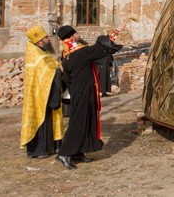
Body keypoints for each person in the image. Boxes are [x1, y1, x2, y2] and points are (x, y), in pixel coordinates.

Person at [55, 25, 123, 169]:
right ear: (72, 36)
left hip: (79, 91)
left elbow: (67, 78)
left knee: (86, 120)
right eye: (76, 33)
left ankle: (78, 152)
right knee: (78, 123)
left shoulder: (65, 54)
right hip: (84, 91)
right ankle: (64, 153)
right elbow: (101, 48)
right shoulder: (80, 52)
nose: (79, 35)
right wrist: (116, 31)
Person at [20, 25, 63, 159]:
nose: (48, 40)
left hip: (46, 92)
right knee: (41, 121)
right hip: (41, 94)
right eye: (45, 38)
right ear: (39, 41)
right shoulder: (36, 54)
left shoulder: (40, 51)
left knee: (48, 120)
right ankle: (39, 150)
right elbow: (46, 71)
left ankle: (49, 147)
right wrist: (58, 69)